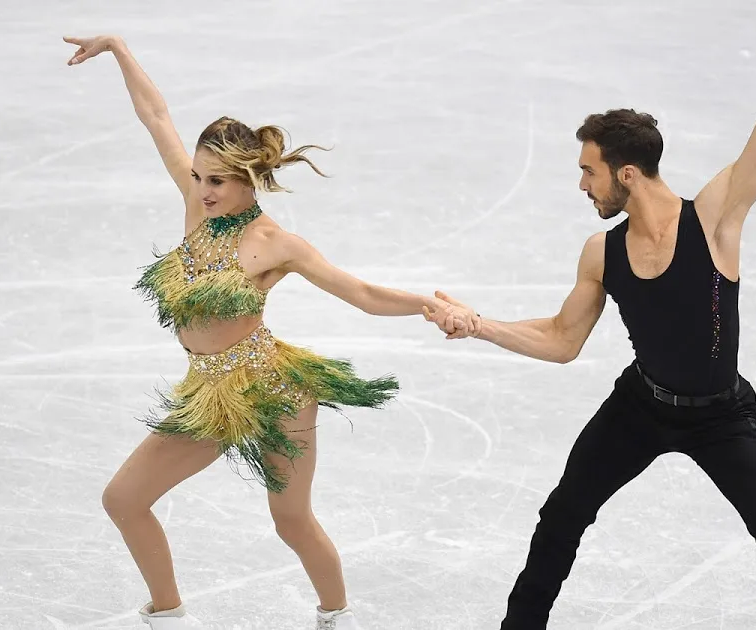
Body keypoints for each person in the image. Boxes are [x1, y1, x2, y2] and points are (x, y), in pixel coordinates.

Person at [423, 5, 756, 628]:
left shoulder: (714, 219)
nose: (583, 185)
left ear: (626, 174)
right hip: (640, 406)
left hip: (720, 415)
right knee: (561, 517)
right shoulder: (601, 253)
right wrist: (480, 325)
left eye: (590, 171)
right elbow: (561, 340)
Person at [62, 35, 464, 630]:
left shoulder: (276, 244)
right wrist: (119, 48)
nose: (203, 189)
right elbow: (156, 116)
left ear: (252, 179)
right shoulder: (198, 207)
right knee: (123, 499)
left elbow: (362, 294)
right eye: (199, 176)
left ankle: (338, 617)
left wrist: (429, 305)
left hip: (271, 388)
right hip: (209, 390)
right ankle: (168, 614)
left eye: (219, 180)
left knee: (291, 520)